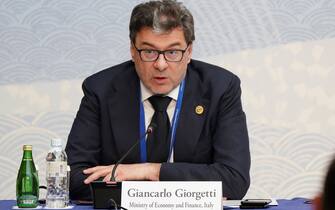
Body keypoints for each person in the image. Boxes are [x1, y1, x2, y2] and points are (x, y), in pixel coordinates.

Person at [65, 0, 250, 201]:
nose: (160, 64)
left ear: (188, 52)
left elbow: (234, 180)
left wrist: (150, 171)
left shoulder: (221, 88)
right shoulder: (100, 90)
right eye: (149, 52)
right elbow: (74, 178)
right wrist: (184, 190)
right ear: (133, 51)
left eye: (172, 52)